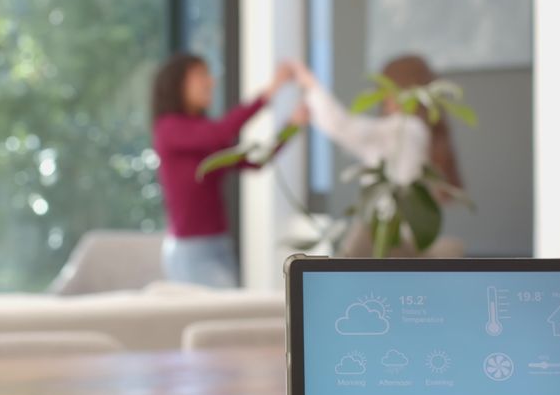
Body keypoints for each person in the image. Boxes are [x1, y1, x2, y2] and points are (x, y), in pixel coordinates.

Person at [290, 56, 463, 256]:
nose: (382, 98)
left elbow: (345, 127)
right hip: (384, 229)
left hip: (389, 232)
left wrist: (308, 81)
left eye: (385, 91)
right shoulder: (407, 131)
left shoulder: (406, 129)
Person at [152, 54, 298, 287]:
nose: (211, 82)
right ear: (178, 84)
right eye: (201, 75)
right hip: (192, 251)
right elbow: (221, 133)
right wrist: (272, 89)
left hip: (219, 243)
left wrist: (292, 126)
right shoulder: (169, 128)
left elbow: (256, 161)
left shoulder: (201, 135)